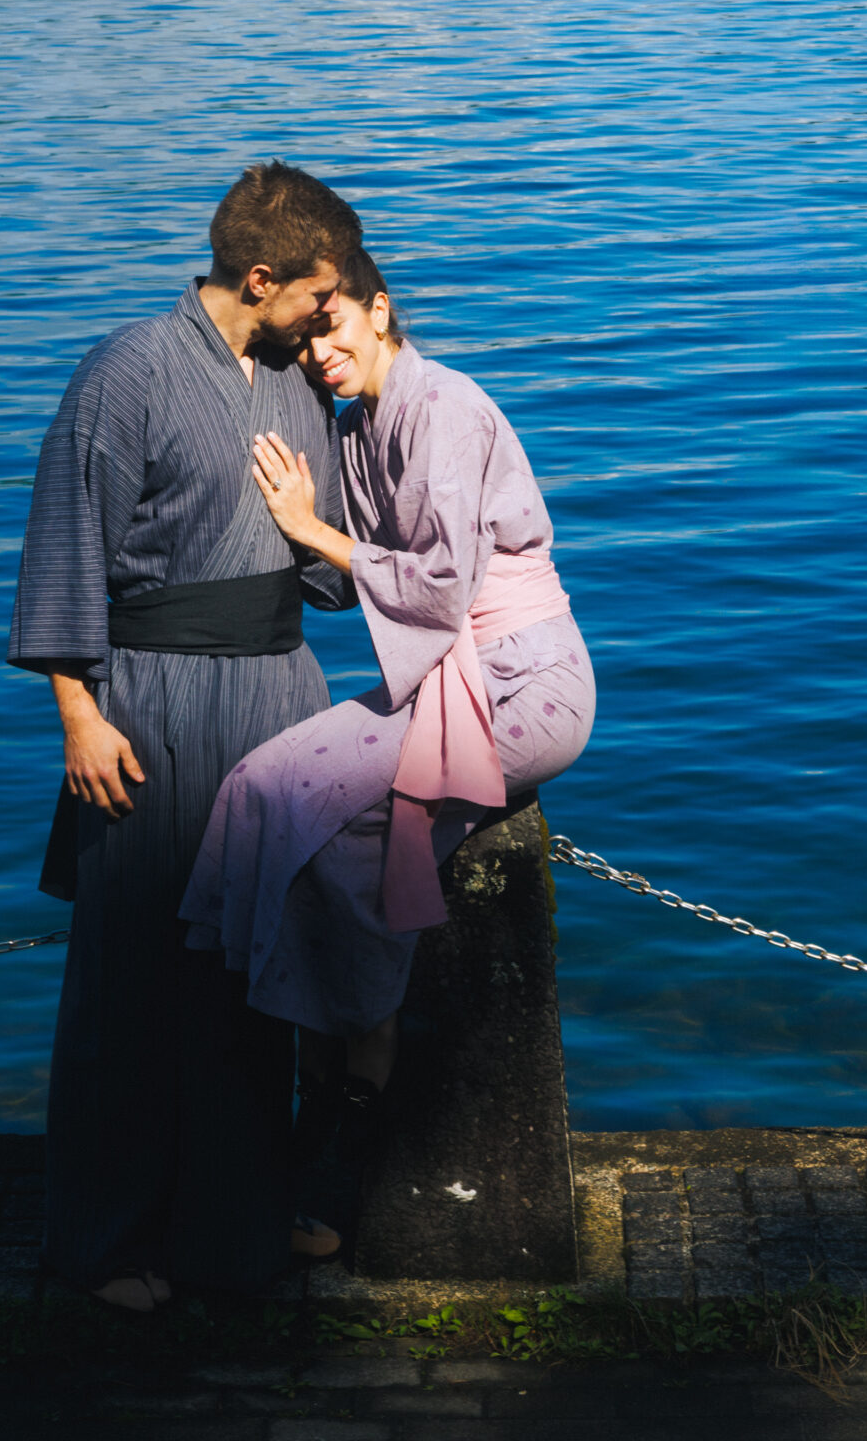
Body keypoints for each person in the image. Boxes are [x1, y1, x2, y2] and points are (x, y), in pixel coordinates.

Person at [179, 252, 595, 1262]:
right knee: (260, 786)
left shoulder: (444, 408)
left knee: (336, 819)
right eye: (303, 339)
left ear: (379, 308)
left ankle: (361, 1049)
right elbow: (353, 582)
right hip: (448, 678)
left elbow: (440, 588)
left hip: (521, 686)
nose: (319, 354)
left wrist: (309, 526)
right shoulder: (364, 429)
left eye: (332, 328)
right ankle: (271, 1047)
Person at [9, 162, 362, 1310]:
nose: (331, 313)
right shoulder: (125, 374)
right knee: (136, 984)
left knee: (262, 976)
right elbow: (67, 544)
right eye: (319, 292)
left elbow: (323, 571)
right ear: (260, 278)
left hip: (279, 701)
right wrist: (77, 712)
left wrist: (317, 531)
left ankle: (237, 1222)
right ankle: (109, 1240)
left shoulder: (295, 379)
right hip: (148, 711)